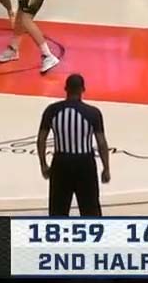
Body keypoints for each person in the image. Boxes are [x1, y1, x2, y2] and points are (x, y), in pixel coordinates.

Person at [37, 73, 110, 217]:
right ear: (83, 89)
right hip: (85, 164)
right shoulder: (93, 113)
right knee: (90, 210)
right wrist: (106, 168)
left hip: (60, 163)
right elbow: (101, 142)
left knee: (58, 211)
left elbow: (41, 139)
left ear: (65, 88)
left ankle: (57, 238)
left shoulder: (51, 110)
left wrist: (43, 164)